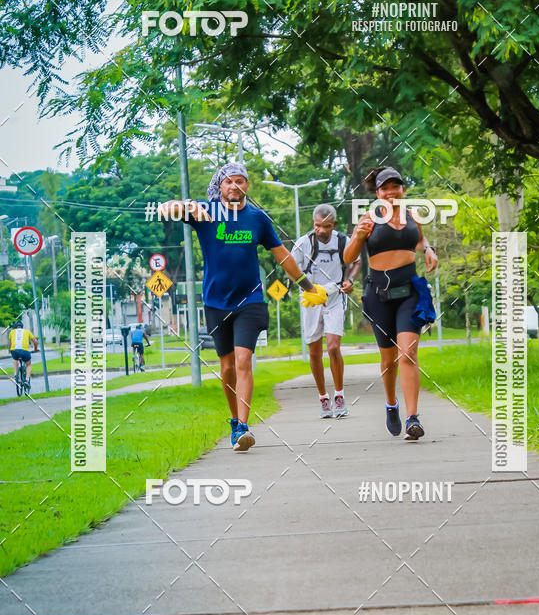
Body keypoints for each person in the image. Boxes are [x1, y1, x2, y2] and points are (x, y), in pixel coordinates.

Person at [159, 163, 324, 451]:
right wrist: (186, 206)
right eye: (229, 181)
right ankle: (234, 421)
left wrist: (305, 284)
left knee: (243, 360)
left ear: (247, 185)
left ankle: (245, 427)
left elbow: (282, 255)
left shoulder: (257, 219)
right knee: (226, 368)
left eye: (241, 181)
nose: (235, 186)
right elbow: (164, 209)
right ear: (220, 186)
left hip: (250, 299)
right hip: (215, 301)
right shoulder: (205, 211)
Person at [343, 166, 438, 439]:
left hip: (409, 292)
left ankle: (413, 418)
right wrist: (359, 235)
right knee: (388, 359)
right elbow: (349, 257)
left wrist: (429, 249)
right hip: (379, 295)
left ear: (403, 190)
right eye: (385, 188)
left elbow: (419, 238)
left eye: (395, 186)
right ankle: (391, 403)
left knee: (407, 353)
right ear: (378, 193)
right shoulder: (368, 219)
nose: (391, 192)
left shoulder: (412, 215)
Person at [292, 204, 361, 418]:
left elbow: (356, 262)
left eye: (327, 226)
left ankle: (339, 395)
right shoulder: (304, 243)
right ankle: (323, 398)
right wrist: (309, 288)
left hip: (334, 296)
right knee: (314, 350)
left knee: (332, 347)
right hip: (311, 298)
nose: (322, 230)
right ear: (313, 224)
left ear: (335, 225)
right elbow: (292, 270)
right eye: (318, 226)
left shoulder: (343, 241)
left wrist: (349, 280)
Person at [8, 320, 38, 389]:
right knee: (29, 364)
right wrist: (35, 349)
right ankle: (27, 380)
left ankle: (15, 374)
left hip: (14, 351)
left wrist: (11, 350)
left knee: (15, 359)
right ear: (22, 327)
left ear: (15, 327)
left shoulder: (12, 332)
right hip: (25, 351)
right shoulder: (27, 331)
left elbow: (10, 343)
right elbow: (35, 342)